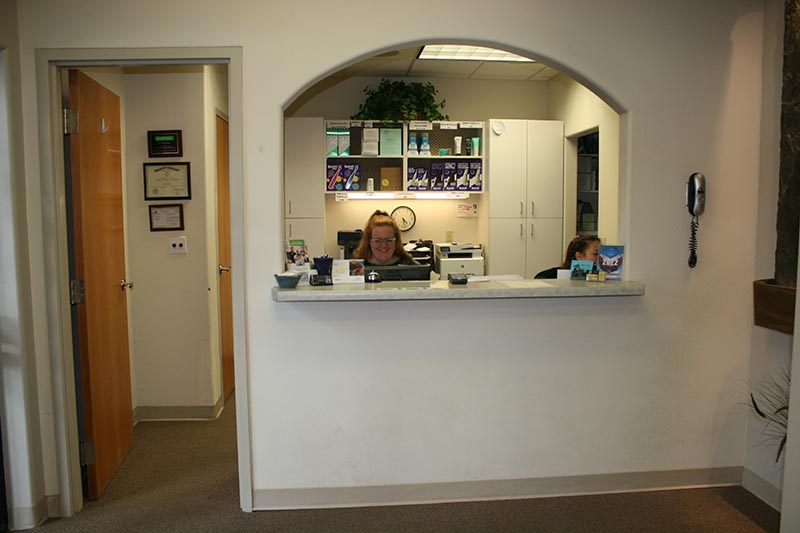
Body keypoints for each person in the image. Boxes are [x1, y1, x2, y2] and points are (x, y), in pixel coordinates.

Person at [353, 210, 417, 266]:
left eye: (389, 240)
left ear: (396, 241)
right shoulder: (356, 268)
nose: (384, 245)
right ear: (368, 241)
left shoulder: (413, 267)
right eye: (377, 241)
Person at [534, 235, 601, 279]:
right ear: (579, 256)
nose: (600, 257)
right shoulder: (548, 276)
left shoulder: (604, 275)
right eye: (596, 254)